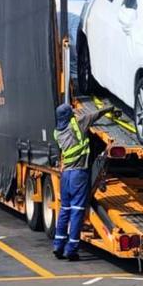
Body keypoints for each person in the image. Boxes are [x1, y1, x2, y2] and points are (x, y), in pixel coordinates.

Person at [52, 100, 117, 260]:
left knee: (64, 210)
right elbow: (94, 115)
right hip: (78, 175)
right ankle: (71, 250)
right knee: (77, 212)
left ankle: (58, 246)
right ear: (69, 115)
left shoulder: (57, 132)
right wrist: (109, 107)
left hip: (65, 175)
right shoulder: (78, 124)